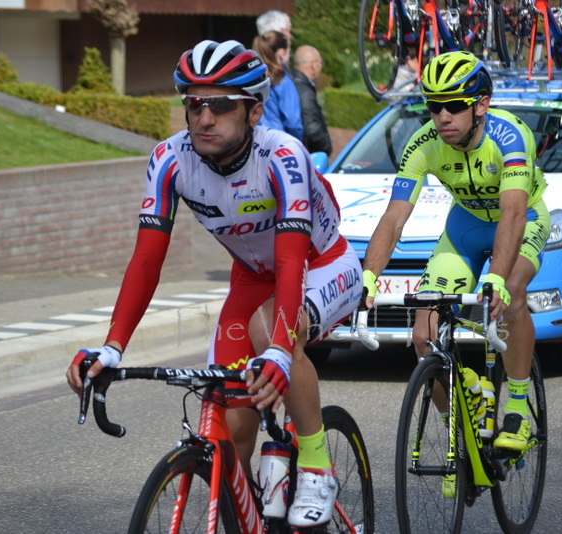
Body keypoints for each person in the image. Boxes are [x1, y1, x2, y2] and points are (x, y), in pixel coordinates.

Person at [65, 39, 362, 528]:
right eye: (194, 103)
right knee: (229, 421)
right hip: (250, 278)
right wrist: (113, 347)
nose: (205, 117)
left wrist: (282, 354)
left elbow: (291, 262)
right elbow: (146, 260)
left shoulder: (282, 155)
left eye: (222, 104)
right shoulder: (169, 160)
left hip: (322, 263)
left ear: (254, 111)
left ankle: (314, 464)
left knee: (271, 334)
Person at [361, 51, 549, 452]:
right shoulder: (423, 144)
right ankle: (458, 429)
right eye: (433, 106)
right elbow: (394, 218)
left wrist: (496, 278)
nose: (442, 116)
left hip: (522, 219)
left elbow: (513, 212)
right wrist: (368, 277)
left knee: (512, 291)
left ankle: (514, 406)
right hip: (464, 227)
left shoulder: (511, 137)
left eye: (453, 106)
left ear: (481, 105)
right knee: (422, 332)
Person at [253, 31, 304, 141]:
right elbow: (293, 121)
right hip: (277, 143)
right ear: (281, 53)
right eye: (289, 50)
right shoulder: (282, 81)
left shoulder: (251, 79)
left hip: (253, 141)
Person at [291, 45, 332, 156]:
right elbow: (311, 128)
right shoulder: (305, 90)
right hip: (307, 155)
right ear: (313, 65)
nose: (320, 67)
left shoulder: (290, 83)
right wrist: (326, 148)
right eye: (320, 63)